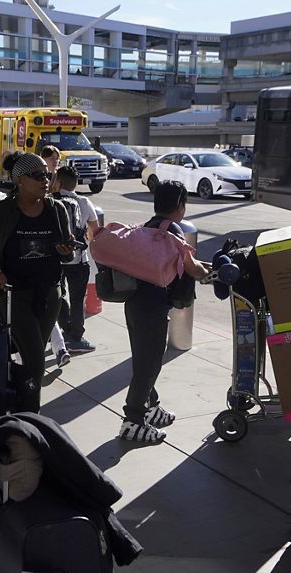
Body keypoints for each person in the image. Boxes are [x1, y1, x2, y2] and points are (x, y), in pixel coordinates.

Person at [0, 152, 77, 413]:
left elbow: (68, 243)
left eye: (48, 174)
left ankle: (20, 405)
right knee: (35, 360)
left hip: (50, 293)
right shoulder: (1, 212)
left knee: (32, 357)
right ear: (20, 180)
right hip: (14, 295)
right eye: (38, 175)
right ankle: (30, 415)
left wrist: (66, 249)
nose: (46, 180)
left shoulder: (58, 209)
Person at [119, 180, 210, 443]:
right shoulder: (172, 230)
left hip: (135, 302)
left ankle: (151, 405)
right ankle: (132, 420)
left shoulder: (148, 227)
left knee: (144, 359)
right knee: (149, 364)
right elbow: (191, 267)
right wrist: (208, 272)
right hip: (152, 306)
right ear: (180, 206)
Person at [52, 165, 99, 354]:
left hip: (56, 259)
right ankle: (76, 337)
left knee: (58, 295)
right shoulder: (84, 202)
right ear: (76, 184)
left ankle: (64, 327)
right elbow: (94, 230)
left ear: (58, 182)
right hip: (78, 259)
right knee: (78, 298)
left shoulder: (50, 201)